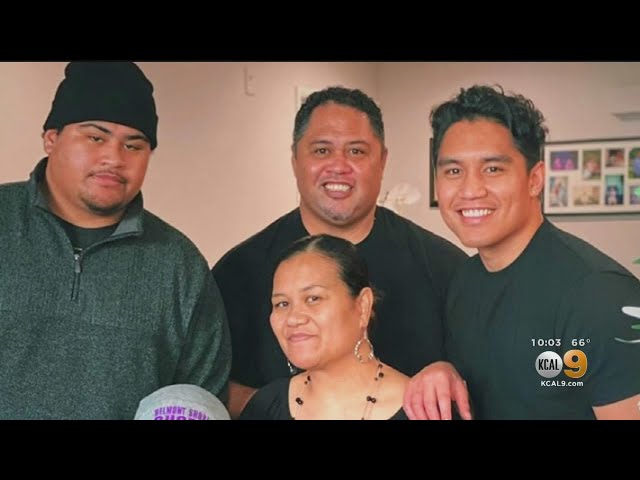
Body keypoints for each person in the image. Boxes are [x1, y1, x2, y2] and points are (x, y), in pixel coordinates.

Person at [212, 86, 468, 418]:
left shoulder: (445, 268)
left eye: (356, 151)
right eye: (321, 150)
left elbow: (485, 378)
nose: (338, 166)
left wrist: (449, 374)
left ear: (382, 161)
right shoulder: (237, 273)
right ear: (295, 160)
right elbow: (212, 384)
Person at [0, 62, 231, 419]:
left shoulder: (179, 266)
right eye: (96, 137)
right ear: (51, 138)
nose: (114, 158)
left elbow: (203, 398)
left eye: (133, 145)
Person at [408, 84, 640, 419]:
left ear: (535, 179)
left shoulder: (599, 295)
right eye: (453, 171)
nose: (470, 190)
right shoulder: (463, 281)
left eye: (493, 169)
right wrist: (444, 370)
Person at [240, 234, 409, 420]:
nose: (293, 319)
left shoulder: (420, 408)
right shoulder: (265, 407)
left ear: (363, 306)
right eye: (282, 304)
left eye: (313, 298)